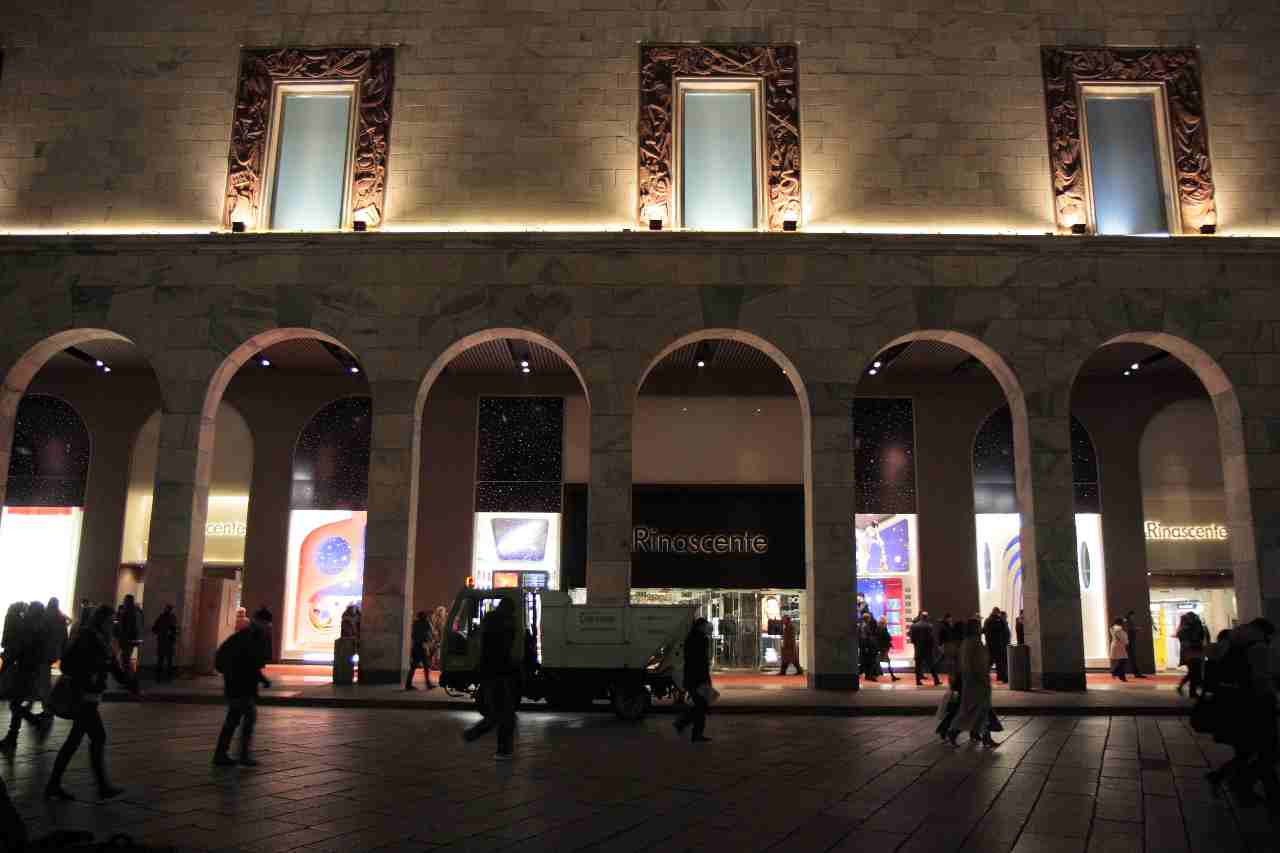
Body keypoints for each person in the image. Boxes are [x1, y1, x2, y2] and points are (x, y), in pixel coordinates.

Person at [44, 605, 137, 801]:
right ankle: (101, 787)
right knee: (97, 737)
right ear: (101, 620)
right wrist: (92, 671)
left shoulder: (103, 639)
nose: (112, 625)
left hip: (90, 697)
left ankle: (54, 784)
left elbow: (112, 667)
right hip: (83, 696)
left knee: (75, 741)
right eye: (110, 621)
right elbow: (71, 664)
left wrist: (129, 684)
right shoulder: (89, 637)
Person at [1205, 618, 1277, 807]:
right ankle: (1247, 786)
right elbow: (1260, 679)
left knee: (1247, 750)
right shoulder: (1258, 647)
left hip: (1232, 703)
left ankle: (1229, 781)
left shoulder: (1231, 644)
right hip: (1255, 704)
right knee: (1266, 750)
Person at [212, 610, 272, 767]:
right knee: (247, 717)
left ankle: (223, 754)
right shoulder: (249, 637)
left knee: (234, 718)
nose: (267, 627)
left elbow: (250, 663)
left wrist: (262, 679)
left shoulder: (245, 636)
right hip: (240, 685)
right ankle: (240, 755)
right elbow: (249, 663)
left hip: (237, 684)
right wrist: (261, 679)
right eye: (266, 623)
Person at [463, 598, 520, 759]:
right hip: (500, 674)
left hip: (490, 673)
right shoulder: (506, 623)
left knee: (500, 714)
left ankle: (500, 748)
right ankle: (499, 748)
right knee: (504, 715)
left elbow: (482, 643)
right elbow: (505, 648)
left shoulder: (490, 620)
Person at [0, 604, 47, 753]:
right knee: (16, 703)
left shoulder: (29, 628)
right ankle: (15, 735)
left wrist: (5, 666)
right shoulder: (39, 628)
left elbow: (19, 650)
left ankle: (27, 727)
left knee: (15, 704)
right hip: (31, 671)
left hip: (24, 670)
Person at [945, 618, 998, 748]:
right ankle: (953, 732)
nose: (980, 628)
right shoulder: (973, 643)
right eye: (978, 626)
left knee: (981, 711)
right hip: (977, 683)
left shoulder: (969, 642)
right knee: (971, 711)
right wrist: (981, 678)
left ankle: (985, 737)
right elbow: (974, 664)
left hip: (975, 682)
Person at [674, 617, 712, 743]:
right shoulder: (701, 640)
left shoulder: (691, 638)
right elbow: (701, 662)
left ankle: (684, 725)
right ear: (700, 627)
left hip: (692, 678)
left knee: (700, 706)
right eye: (705, 626)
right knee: (701, 706)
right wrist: (706, 680)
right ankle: (692, 730)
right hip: (698, 679)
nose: (707, 628)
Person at [1175, 611, 1208, 699]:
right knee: (1194, 672)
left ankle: (1186, 688)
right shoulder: (1189, 628)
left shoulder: (1183, 629)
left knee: (1193, 672)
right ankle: (1191, 691)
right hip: (1193, 652)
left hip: (1189, 653)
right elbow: (1196, 639)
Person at [909, 612, 940, 686]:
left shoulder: (914, 626)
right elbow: (931, 638)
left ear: (921, 617)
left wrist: (916, 644)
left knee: (918, 666)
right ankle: (936, 680)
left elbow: (912, 638)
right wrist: (933, 646)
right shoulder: (929, 626)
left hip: (918, 648)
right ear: (926, 617)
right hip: (927, 649)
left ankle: (918, 681)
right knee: (931, 665)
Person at [405, 611, 434, 690]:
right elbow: (429, 633)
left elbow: (413, 635)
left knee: (414, 666)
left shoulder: (415, 623)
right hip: (422, 646)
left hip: (416, 646)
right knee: (425, 665)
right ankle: (428, 684)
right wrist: (429, 641)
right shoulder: (426, 623)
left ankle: (408, 684)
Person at [114, 594, 143, 673]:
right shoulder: (137, 611)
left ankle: (127, 675)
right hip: (132, 638)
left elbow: (123, 626)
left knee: (125, 658)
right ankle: (128, 674)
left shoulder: (126, 611)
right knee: (126, 657)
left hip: (126, 638)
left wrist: (118, 634)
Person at [152, 604, 179, 682]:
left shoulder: (162, 617)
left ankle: (160, 677)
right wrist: (171, 634)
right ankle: (166, 677)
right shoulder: (171, 618)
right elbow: (175, 629)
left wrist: (160, 633)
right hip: (167, 642)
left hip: (163, 642)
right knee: (167, 661)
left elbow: (154, 628)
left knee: (162, 660)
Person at [983, 607, 1010, 684]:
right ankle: (1002, 677)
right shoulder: (998, 621)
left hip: (991, 645)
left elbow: (985, 631)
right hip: (998, 645)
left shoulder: (988, 620)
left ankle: (984, 676)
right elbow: (1002, 632)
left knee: (991, 662)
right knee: (999, 663)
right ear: (996, 612)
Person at [1123, 609, 1146, 678]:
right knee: (1132, 658)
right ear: (1131, 615)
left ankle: (1136, 673)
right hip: (1129, 642)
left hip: (1129, 642)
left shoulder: (1126, 621)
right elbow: (1129, 630)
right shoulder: (1128, 622)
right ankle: (1136, 673)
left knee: (1129, 659)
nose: (1134, 617)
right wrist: (1136, 629)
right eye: (1133, 616)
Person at [859, 611, 880, 681]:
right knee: (870, 661)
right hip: (867, 646)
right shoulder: (865, 626)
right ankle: (869, 676)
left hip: (864, 646)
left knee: (867, 661)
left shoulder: (862, 625)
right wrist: (867, 647)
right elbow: (866, 637)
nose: (870, 619)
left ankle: (868, 675)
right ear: (867, 618)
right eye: (869, 618)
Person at [876, 615, 898, 681]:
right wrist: (890, 639)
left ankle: (892, 676)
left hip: (880, 647)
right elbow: (887, 637)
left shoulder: (878, 627)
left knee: (882, 661)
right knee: (885, 661)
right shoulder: (883, 628)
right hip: (884, 647)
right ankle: (892, 676)